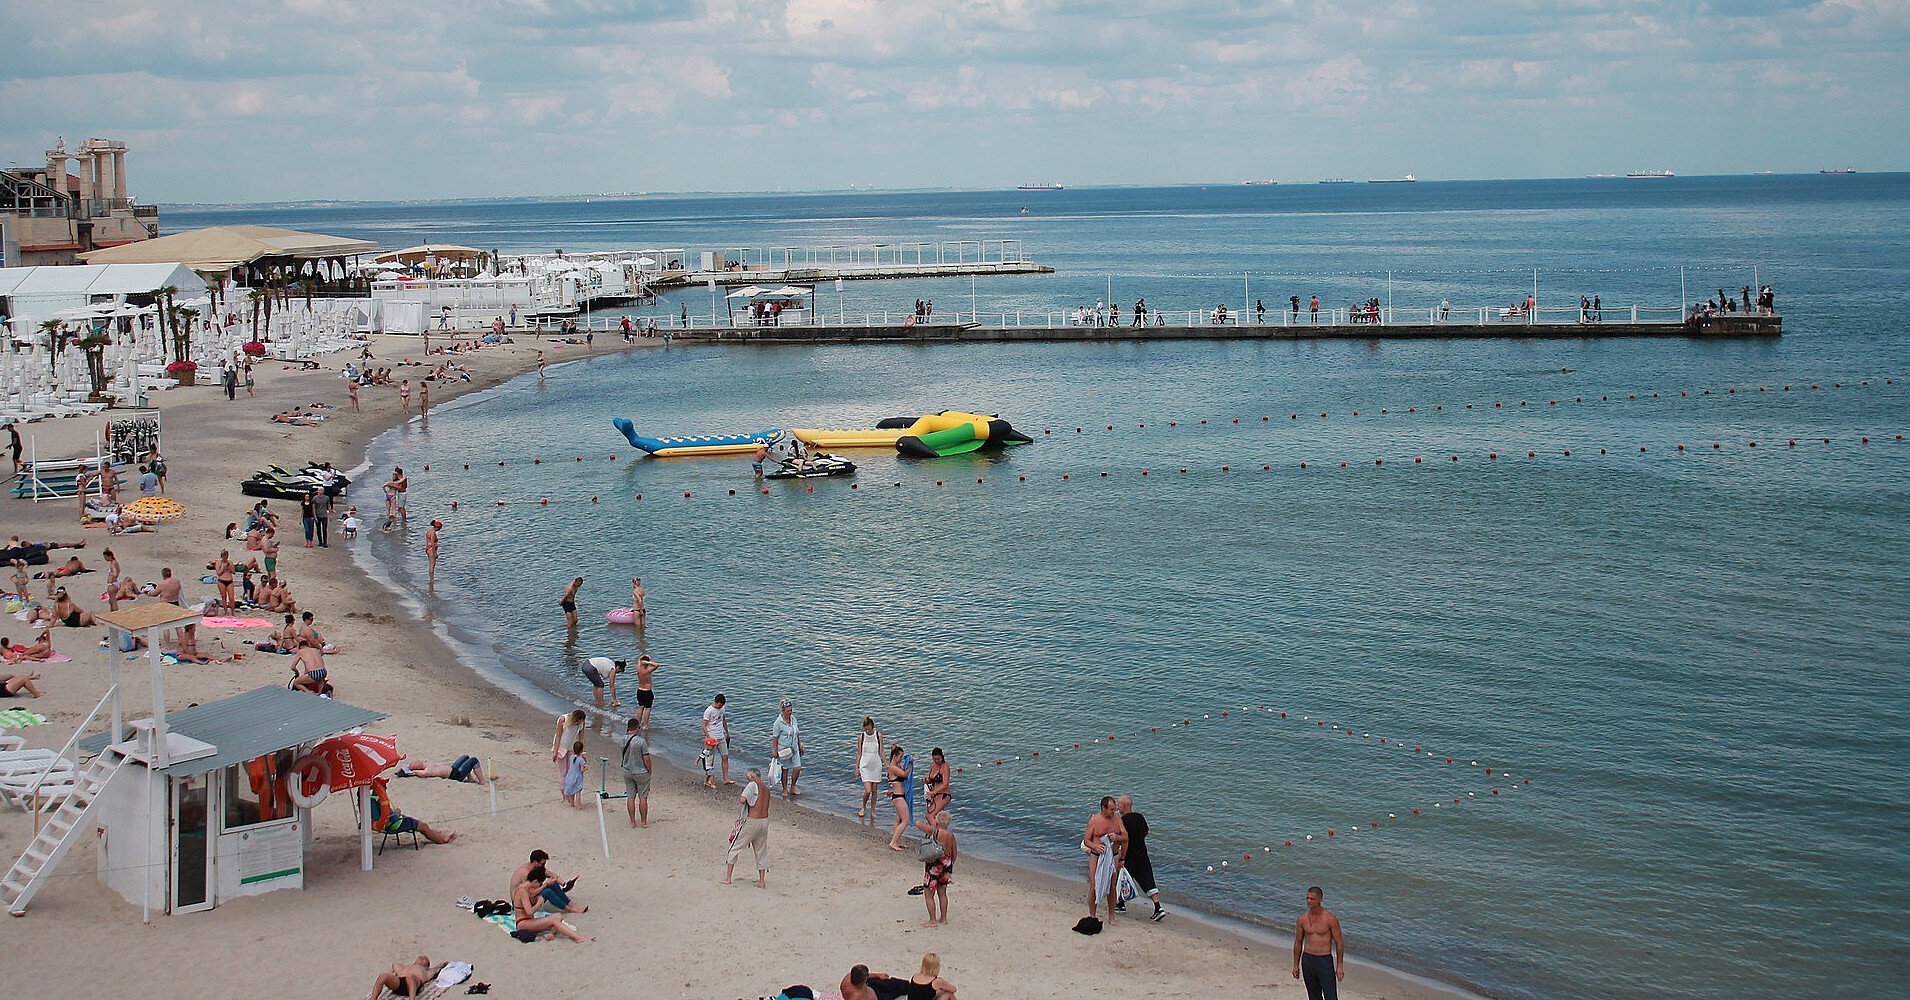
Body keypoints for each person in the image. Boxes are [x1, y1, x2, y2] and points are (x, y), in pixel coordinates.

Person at [1116, 794, 1166, 921]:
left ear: (1124, 806)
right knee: (1148, 881)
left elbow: (1123, 839)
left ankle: (1120, 904)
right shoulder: (1140, 817)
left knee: (1122, 879)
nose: (1117, 807)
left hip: (1129, 855)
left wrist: (1121, 856)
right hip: (1142, 853)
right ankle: (1158, 907)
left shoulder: (1122, 821)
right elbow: (1146, 832)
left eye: (1119, 805)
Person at [511, 865, 590, 942]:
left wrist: (546, 885)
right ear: (535, 881)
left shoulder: (526, 888)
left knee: (558, 916)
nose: (538, 887)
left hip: (529, 921)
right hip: (523, 923)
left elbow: (533, 893)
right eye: (539, 884)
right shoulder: (523, 891)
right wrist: (539, 903)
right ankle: (577, 938)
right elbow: (529, 912)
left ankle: (550, 934)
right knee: (554, 921)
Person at [1082, 795, 1128, 925]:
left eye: (1114, 809)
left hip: (1112, 855)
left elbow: (1125, 837)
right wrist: (1095, 846)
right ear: (1103, 808)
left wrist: (1117, 837)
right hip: (1097, 856)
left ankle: (1111, 916)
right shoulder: (1094, 820)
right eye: (1111, 810)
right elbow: (1086, 840)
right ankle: (1092, 915)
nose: (1113, 812)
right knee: (1094, 885)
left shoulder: (1117, 819)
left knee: (1112, 887)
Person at [721, 767, 771, 888]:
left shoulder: (752, 785)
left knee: (735, 847)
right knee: (761, 850)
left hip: (752, 821)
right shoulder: (766, 788)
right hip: (764, 821)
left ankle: (728, 878)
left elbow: (742, 800)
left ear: (751, 777)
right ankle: (762, 880)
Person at [1293, 886, 1346, 1000]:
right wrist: (1295, 965)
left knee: (1330, 996)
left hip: (1324, 961)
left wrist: (1340, 966)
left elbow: (1339, 943)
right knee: (1313, 996)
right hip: (1308, 960)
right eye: (1307, 898)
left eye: (1312, 899)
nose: (1308, 901)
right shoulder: (1302, 919)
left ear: (1320, 900)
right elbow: (1298, 942)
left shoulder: (1330, 919)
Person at [369, 779, 456, 844]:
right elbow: (393, 818)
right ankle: (443, 839)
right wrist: (398, 812)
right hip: (394, 824)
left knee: (424, 825)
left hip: (387, 824)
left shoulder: (371, 799)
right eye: (385, 786)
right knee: (423, 826)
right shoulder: (380, 800)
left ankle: (437, 834)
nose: (387, 787)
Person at [917, 811, 956, 927]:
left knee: (929, 894)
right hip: (946, 865)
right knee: (942, 893)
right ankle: (943, 918)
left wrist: (930, 823)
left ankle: (932, 920)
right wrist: (950, 864)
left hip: (933, 866)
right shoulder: (951, 835)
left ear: (937, 821)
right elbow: (954, 852)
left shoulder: (935, 832)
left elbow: (918, 823)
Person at [620, 718, 651, 828]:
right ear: (637, 728)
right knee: (643, 797)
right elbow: (646, 758)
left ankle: (633, 821)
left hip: (627, 770)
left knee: (630, 797)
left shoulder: (623, 739)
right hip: (640, 771)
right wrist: (649, 770)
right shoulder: (641, 741)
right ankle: (643, 822)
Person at [771, 699, 803, 798]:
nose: (790, 713)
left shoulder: (793, 719)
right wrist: (775, 750)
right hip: (784, 749)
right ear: (783, 711)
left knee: (797, 768)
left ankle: (792, 787)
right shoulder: (778, 723)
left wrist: (799, 744)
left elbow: (796, 733)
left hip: (794, 747)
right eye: (788, 711)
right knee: (785, 770)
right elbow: (775, 738)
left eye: (791, 710)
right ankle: (784, 789)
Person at [856, 716, 884, 817]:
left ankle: (873, 810)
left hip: (876, 764)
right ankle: (863, 806)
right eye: (865, 729)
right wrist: (857, 768)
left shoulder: (878, 735)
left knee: (874, 790)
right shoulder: (861, 737)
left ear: (872, 726)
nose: (867, 731)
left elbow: (881, 751)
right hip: (865, 765)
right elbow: (859, 753)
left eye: (869, 729)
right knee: (868, 790)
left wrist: (887, 764)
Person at [701, 693, 731, 787]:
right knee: (710, 760)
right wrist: (709, 737)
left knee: (725, 756)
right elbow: (704, 725)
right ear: (717, 702)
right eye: (720, 705)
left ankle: (726, 778)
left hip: (721, 736)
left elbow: (723, 720)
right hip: (712, 738)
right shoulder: (709, 711)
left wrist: (727, 732)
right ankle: (709, 780)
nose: (721, 707)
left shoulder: (722, 709)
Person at [394, 756, 487, 784]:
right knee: (473, 760)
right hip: (455, 775)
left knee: (465, 757)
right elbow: (420, 774)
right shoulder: (425, 771)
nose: (416, 761)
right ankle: (482, 780)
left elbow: (406, 767)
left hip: (452, 768)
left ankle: (470, 778)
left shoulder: (425, 765)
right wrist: (411, 771)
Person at [886, 745, 911, 850]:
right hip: (898, 796)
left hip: (900, 795)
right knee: (906, 820)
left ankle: (898, 841)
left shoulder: (897, 766)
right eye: (900, 757)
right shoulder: (892, 767)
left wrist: (905, 761)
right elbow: (905, 775)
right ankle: (893, 842)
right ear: (895, 756)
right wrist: (910, 764)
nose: (901, 759)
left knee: (899, 819)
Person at [552, 708, 586, 778]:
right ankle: (563, 788)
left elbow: (581, 738)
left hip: (572, 748)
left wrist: (582, 752)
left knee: (571, 770)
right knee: (563, 772)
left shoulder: (582, 723)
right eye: (577, 723)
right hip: (561, 747)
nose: (578, 724)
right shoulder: (563, 719)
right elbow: (558, 736)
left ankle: (569, 787)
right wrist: (555, 752)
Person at [633, 654, 659, 729]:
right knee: (648, 708)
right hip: (647, 691)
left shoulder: (638, 669)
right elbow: (657, 665)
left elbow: (639, 659)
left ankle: (637, 724)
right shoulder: (647, 671)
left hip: (639, 691)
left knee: (640, 707)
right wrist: (648, 663)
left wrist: (642, 659)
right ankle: (645, 725)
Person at [561, 740, 587, 807]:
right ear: (581, 750)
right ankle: (578, 806)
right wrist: (585, 768)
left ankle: (572, 804)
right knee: (578, 792)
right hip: (577, 777)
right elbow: (581, 770)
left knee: (572, 792)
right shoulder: (581, 760)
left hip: (569, 776)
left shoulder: (571, 757)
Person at [424, 520, 441, 585]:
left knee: (430, 564)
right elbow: (433, 543)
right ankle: (432, 579)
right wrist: (435, 553)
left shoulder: (429, 531)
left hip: (428, 548)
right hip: (431, 549)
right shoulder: (433, 533)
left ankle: (431, 578)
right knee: (432, 565)